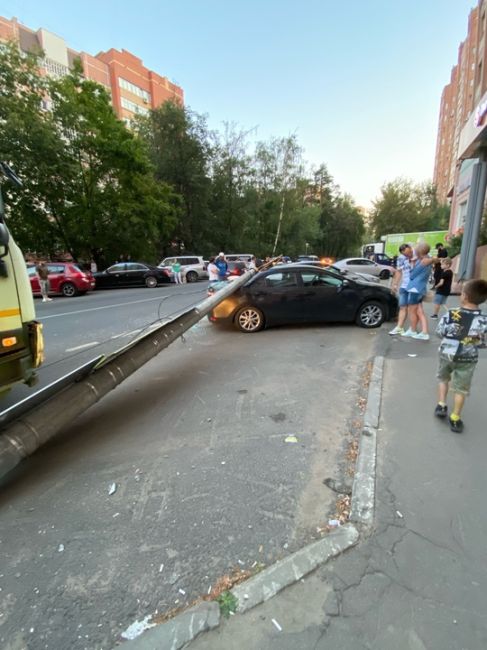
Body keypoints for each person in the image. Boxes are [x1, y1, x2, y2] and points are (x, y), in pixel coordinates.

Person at [434, 279, 487, 433]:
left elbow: (439, 332)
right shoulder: (484, 320)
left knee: (443, 378)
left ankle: (442, 404)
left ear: (464, 296)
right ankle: (455, 417)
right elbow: (483, 343)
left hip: (446, 354)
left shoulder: (452, 313)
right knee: (461, 389)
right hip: (468, 358)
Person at [401, 243, 437, 340]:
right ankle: (423, 331)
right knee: (419, 311)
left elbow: (412, 275)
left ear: (419, 251)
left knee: (412, 311)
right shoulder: (427, 259)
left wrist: (412, 264)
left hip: (415, 288)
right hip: (420, 288)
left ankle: (413, 330)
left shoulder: (423, 261)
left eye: (415, 249)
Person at [389, 243, 413, 335]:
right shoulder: (401, 258)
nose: (409, 255)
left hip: (414, 286)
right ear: (402, 253)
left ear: (411, 248)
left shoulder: (417, 255)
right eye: (406, 254)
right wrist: (395, 285)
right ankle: (399, 328)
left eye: (410, 252)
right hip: (404, 286)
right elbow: (399, 272)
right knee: (403, 307)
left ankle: (412, 329)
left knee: (413, 308)